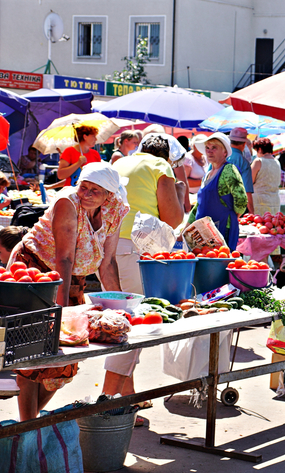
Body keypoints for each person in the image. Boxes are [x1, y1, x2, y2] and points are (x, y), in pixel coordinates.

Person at [9, 162, 129, 421]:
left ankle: (30, 424)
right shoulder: (67, 203)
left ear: (109, 194)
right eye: (83, 187)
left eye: (94, 190)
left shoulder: (115, 210)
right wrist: (60, 313)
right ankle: (26, 428)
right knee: (34, 352)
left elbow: (107, 263)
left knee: (65, 362)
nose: (85, 194)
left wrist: (122, 307)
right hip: (36, 272)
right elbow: (64, 258)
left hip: (70, 277)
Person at [106, 135, 185, 402]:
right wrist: (181, 192)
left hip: (108, 247)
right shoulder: (161, 167)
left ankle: (128, 395)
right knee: (130, 324)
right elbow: (173, 218)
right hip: (133, 248)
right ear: (166, 156)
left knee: (121, 319)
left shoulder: (121, 163)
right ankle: (109, 398)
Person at [187, 133, 248, 249]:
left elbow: (241, 199)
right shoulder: (207, 174)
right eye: (207, 148)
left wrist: (231, 216)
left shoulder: (228, 169)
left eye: (214, 148)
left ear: (225, 152)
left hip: (221, 229)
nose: (209, 151)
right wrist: (187, 227)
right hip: (203, 232)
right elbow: (199, 205)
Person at [251, 137, 281, 217]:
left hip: (260, 201)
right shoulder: (277, 162)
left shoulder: (258, 161)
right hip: (275, 200)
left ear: (260, 149)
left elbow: (250, 181)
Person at [227, 128, 254, 215]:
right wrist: (252, 212)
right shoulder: (244, 162)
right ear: (244, 143)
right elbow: (247, 191)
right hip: (236, 210)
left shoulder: (220, 157)